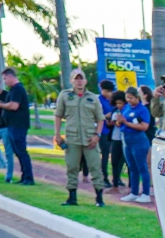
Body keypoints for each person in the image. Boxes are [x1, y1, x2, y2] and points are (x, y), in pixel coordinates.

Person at [53, 68, 106, 207]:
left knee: (95, 167)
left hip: (90, 138)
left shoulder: (93, 97)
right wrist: (57, 134)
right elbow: (58, 115)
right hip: (72, 138)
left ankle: (99, 198)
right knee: (72, 167)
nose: (79, 81)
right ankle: (72, 197)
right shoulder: (65, 95)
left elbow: (100, 118)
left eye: (81, 78)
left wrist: (97, 135)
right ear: (71, 81)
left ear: (85, 81)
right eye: (76, 79)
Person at [0, 67, 34, 184]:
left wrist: (0, 105)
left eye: (5, 79)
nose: (4, 81)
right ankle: (24, 176)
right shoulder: (13, 90)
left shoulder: (17, 89)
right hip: (13, 125)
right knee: (18, 152)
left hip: (18, 125)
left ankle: (28, 178)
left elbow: (14, 106)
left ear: (10, 77)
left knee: (21, 151)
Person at [119, 86, 154, 202]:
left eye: (131, 98)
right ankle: (134, 192)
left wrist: (126, 123)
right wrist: (119, 121)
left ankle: (145, 193)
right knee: (132, 167)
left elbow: (144, 126)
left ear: (137, 97)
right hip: (126, 139)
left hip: (138, 139)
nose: (129, 100)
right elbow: (121, 123)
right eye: (127, 97)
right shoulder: (126, 108)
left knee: (142, 166)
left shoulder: (142, 110)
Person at [98, 79, 126, 188]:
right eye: (107, 91)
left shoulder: (114, 101)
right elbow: (96, 115)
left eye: (110, 91)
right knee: (105, 155)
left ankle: (117, 178)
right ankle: (104, 178)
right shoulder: (98, 100)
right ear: (102, 90)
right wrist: (106, 116)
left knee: (119, 157)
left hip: (114, 132)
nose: (109, 93)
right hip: (103, 131)